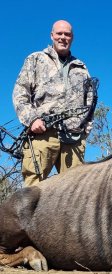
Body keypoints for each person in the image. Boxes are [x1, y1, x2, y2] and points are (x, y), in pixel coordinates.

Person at [13, 20, 95, 187]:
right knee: (32, 191)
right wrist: (32, 120)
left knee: (74, 191)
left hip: (73, 138)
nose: (63, 37)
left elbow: (90, 102)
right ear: (52, 35)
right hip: (43, 133)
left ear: (72, 38)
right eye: (59, 33)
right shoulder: (35, 59)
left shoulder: (81, 67)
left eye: (67, 34)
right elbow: (20, 94)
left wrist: (86, 128)